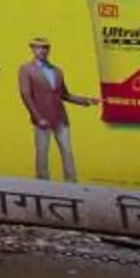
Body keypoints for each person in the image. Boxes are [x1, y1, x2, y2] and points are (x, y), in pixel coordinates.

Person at [19, 36, 97, 182]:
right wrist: (37, 117)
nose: (42, 50)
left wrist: (85, 100)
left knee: (67, 152)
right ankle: (42, 184)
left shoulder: (57, 71)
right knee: (42, 153)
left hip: (60, 118)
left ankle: (71, 183)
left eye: (45, 47)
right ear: (32, 49)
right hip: (42, 119)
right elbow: (25, 95)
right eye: (38, 47)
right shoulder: (26, 69)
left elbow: (65, 95)